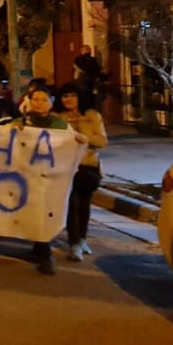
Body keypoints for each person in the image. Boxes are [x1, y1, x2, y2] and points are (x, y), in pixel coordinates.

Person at [14, 87, 87, 276]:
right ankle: (39, 248)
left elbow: (71, 143)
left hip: (52, 177)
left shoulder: (60, 124)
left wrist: (78, 140)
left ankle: (46, 254)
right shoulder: (19, 122)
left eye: (44, 99)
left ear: (51, 103)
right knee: (33, 212)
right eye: (35, 99)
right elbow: (3, 139)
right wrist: (12, 132)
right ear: (28, 102)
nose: (39, 103)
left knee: (45, 212)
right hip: (27, 177)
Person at [54, 82, 107, 263]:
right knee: (72, 203)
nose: (68, 99)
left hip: (88, 166)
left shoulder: (92, 116)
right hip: (66, 167)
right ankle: (74, 243)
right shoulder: (57, 118)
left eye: (72, 95)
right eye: (65, 96)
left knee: (84, 204)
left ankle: (82, 239)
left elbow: (102, 141)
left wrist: (85, 138)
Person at [74, 45, 106, 111]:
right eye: (85, 50)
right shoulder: (79, 60)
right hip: (83, 86)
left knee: (93, 103)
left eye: (88, 49)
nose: (88, 51)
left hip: (92, 85)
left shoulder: (93, 60)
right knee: (85, 103)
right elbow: (87, 68)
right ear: (81, 51)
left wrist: (102, 76)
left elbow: (96, 70)